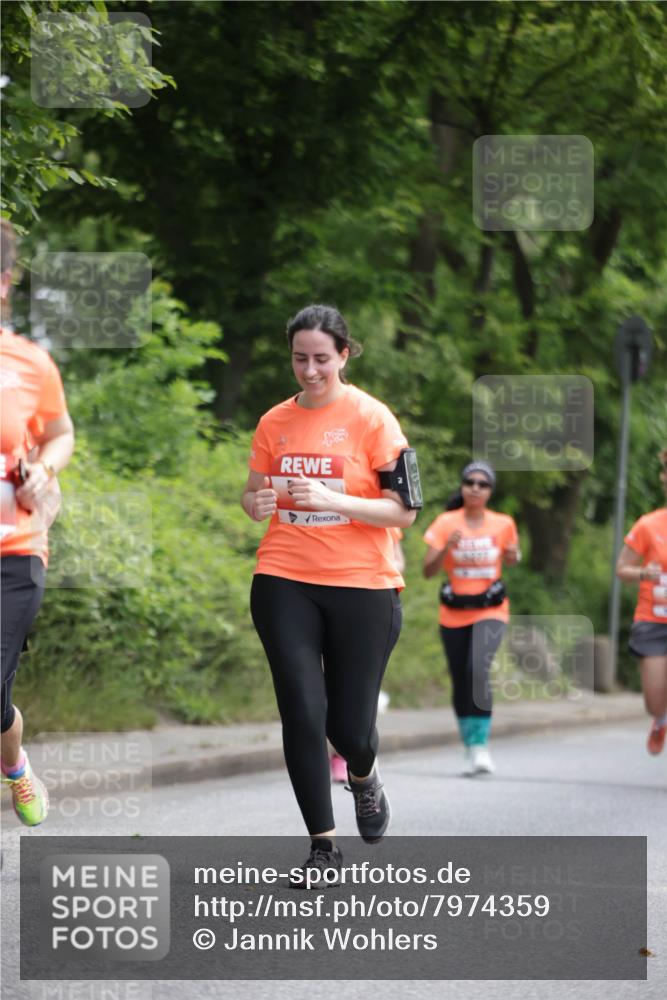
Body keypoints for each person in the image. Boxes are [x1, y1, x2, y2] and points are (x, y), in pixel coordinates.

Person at [241, 304, 418, 884]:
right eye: (300, 358)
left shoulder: (373, 419)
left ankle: (363, 777)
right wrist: (256, 503)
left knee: (347, 727)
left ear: (344, 355)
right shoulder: (274, 422)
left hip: (362, 585)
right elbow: (253, 492)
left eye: (322, 358)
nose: (310, 370)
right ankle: (323, 848)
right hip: (284, 575)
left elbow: (404, 511)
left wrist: (334, 500)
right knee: (301, 706)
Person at [0, 219, 75, 825]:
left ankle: (14, 770)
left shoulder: (29, 363)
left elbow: (59, 432)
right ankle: (17, 766)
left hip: (15, 549)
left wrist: (43, 470)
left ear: (4, 283)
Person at [422, 461, 519, 776]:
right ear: (462, 487)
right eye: (470, 482)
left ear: (491, 491)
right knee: (460, 678)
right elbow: (428, 571)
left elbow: (511, 558)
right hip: (453, 612)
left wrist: (513, 557)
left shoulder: (503, 523)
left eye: (483, 484)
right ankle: (469, 745)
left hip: (491, 610)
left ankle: (481, 748)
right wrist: (445, 548)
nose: (475, 488)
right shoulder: (446, 522)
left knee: (477, 669)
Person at [616, 448, 667, 755]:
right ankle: (660, 719)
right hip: (653, 621)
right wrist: (643, 573)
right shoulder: (649, 525)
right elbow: (622, 569)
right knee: (654, 699)